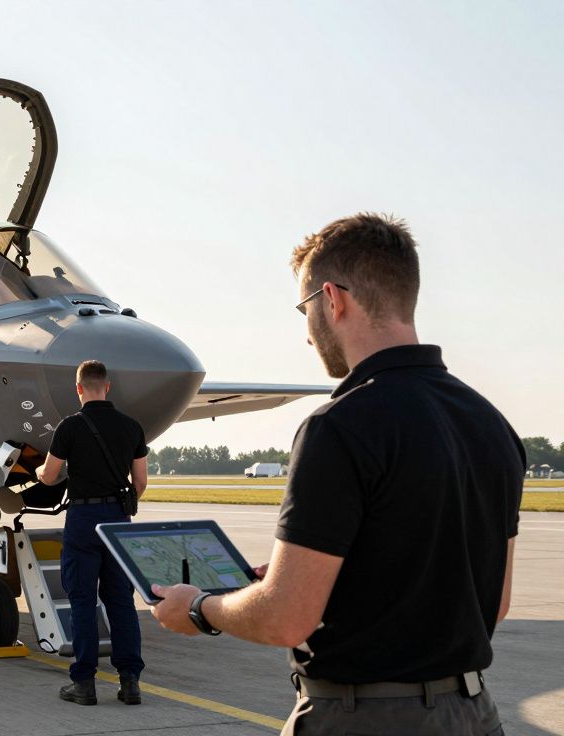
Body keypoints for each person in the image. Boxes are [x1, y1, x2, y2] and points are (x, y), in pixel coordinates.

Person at [148, 213, 524, 735]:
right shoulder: (490, 423)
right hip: (474, 715)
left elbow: (286, 619)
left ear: (332, 299)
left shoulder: (339, 426)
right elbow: (492, 602)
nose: (306, 333)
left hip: (366, 719)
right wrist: (304, 576)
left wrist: (200, 607)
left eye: (304, 309)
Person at [35, 359, 150, 706]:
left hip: (83, 518)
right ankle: (130, 682)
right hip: (117, 519)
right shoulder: (132, 427)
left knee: (82, 600)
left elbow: (50, 475)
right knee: (120, 602)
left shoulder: (70, 427)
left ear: (79, 388)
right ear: (108, 387)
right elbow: (140, 482)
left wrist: (40, 469)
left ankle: (84, 683)